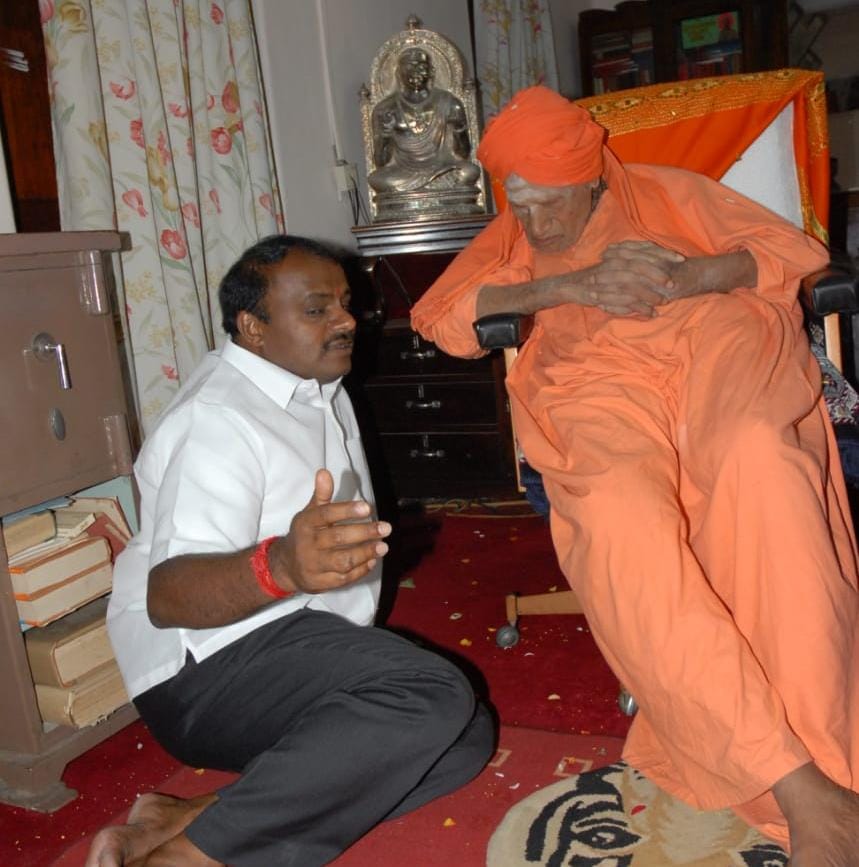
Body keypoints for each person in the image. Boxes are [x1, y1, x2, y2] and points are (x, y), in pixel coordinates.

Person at [411, 86, 859, 864]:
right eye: (519, 200)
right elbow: (441, 316)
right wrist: (569, 287)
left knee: (761, 470)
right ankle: (795, 784)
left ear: (591, 177)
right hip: (595, 382)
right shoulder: (516, 235)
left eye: (550, 202)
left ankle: (830, 753)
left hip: (718, 350)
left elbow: (796, 253)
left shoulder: (670, 192)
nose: (535, 220)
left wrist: (691, 276)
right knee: (621, 525)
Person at [87, 235, 495, 867]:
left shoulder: (312, 385)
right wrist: (281, 565)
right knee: (429, 693)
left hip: (288, 640)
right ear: (252, 326)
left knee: (464, 737)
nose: (345, 321)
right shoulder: (218, 419)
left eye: (345, 304)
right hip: (202, 671)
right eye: (316, 309)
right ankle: (188, 859)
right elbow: (167, 598)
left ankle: (187, 817)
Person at [368, 47, 480, 194]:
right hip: (403, 171)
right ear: (398, 73)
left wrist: (460, 130)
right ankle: (435, 187)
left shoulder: (449, 103)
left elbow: (463, 153)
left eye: (421, 66)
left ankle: (422, 188)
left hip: (442, 167)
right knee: (376, 179)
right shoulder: (385, 109)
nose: (416, 71)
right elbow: (380, 162)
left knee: (470, 171)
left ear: (431, 71)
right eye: (409, 66)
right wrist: (385, 136)